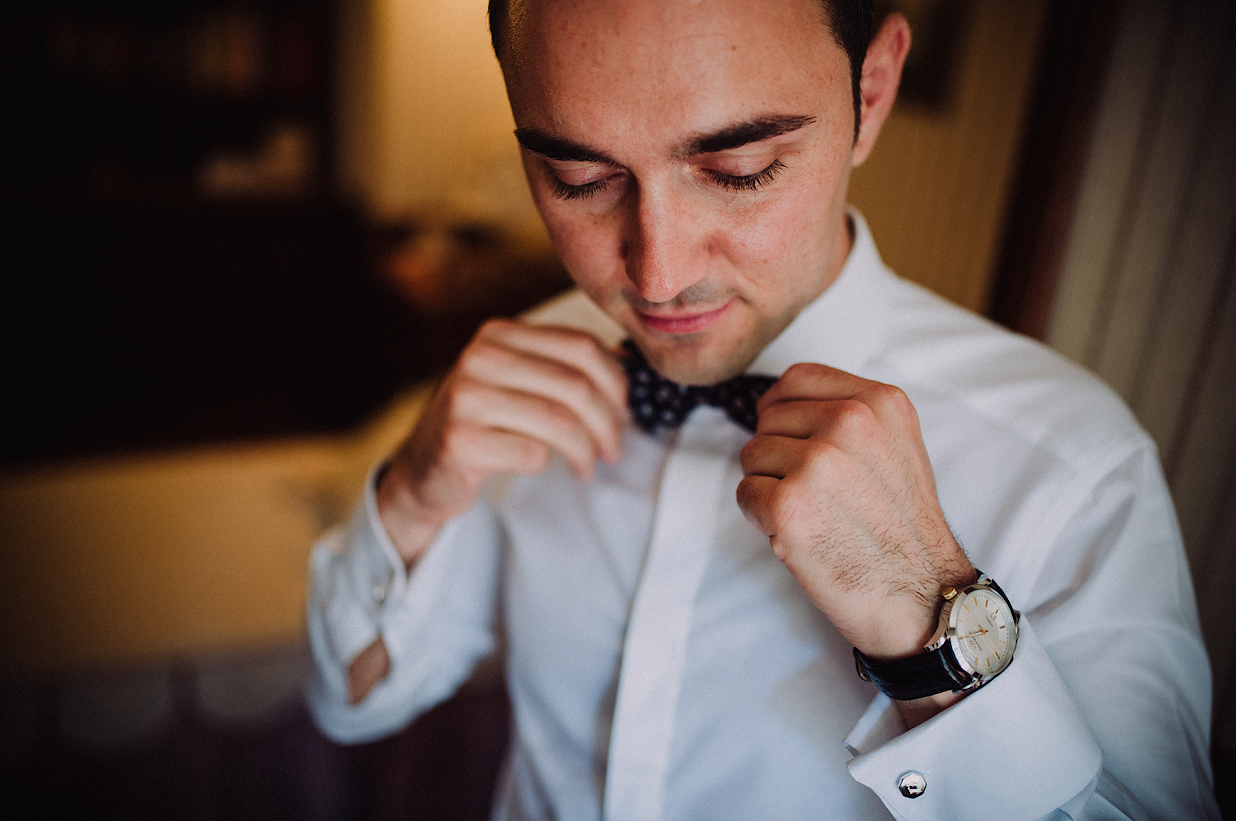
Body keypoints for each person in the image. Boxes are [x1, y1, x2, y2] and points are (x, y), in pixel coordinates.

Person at [306, 0, 1219, 818]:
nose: (658, 275)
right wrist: (410, 498)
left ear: (873, 91)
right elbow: (354, 702)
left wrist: (928, 625)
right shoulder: (532, 370)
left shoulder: (1076, 470)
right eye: (578, 178)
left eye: (740, 169)